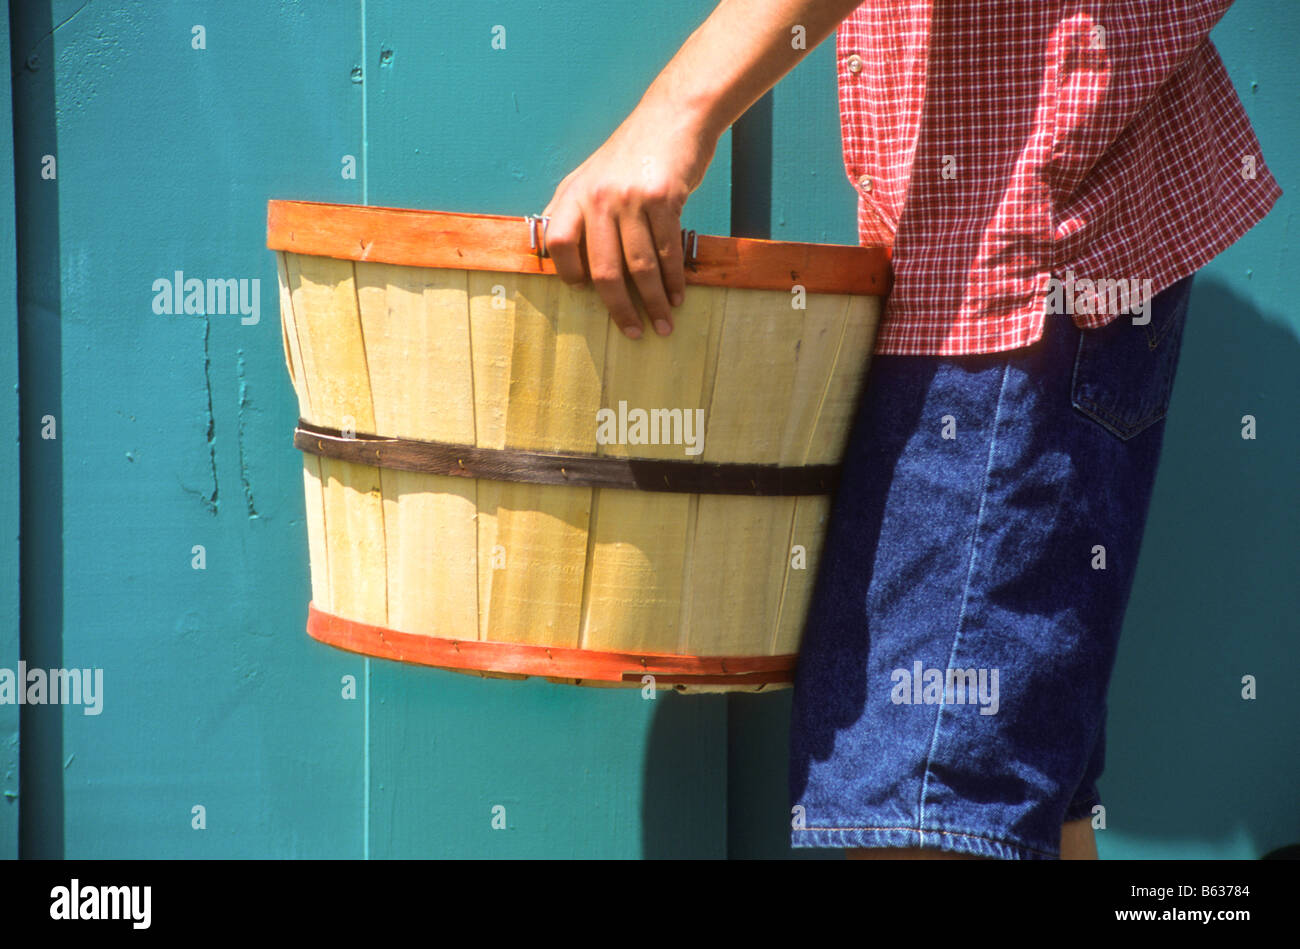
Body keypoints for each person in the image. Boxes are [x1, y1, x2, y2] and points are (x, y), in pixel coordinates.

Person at [541, 0, 1280, 859]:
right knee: (990, 814)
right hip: (1005, 263)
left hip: (1009, 281)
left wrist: (676, 114)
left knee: (927, 817)